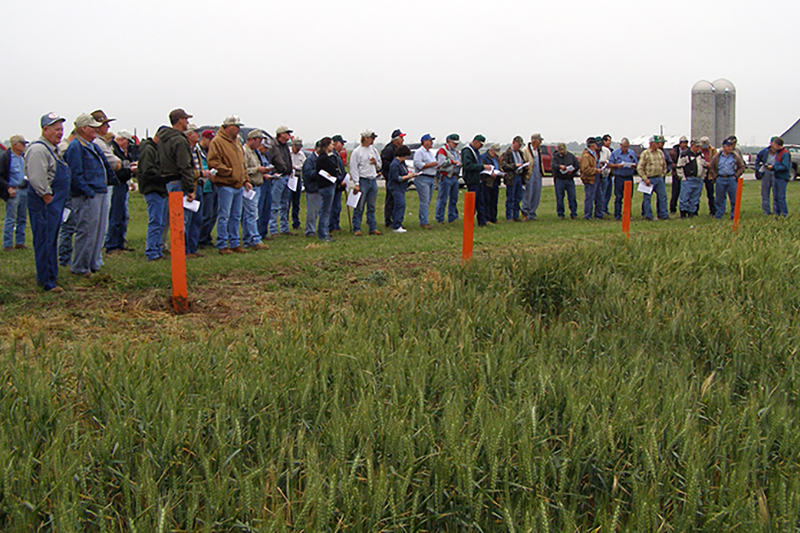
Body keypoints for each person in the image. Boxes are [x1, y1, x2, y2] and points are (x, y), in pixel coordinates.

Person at [64, 113, 115, 276]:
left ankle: (92, 263)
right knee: (86, 231)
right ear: (83, 128)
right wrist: (88, 192)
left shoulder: (91, 145)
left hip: (98, 191)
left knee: (98, 231)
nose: (96, 130)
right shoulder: (76, 147)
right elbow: (75, 174)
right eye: (92, 127)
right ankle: (80, 266)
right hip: (87, 196)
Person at [24, 113, 70, 292]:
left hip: (54, 202)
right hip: (44, 203)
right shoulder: (38, 150)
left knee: (51, 240)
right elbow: (37, 178)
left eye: (61, 129)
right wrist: (48, 198)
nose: (60, 133)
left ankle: (52, 275)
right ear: (45, 129)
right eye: (56, 129)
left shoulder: (53, 149)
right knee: (44, 240)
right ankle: (46, 281)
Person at [208, 115, 252, 254]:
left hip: (238, 185)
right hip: (225, 184)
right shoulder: (217, 142)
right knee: (224, 215)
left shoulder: (237, 142)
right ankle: (222, 244)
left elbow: (242, 163)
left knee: (236, 216)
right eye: (236, 126)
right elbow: (213, 162)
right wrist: (229, 172)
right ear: (229, 126)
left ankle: (234, 243)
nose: (239, 129)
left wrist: (245, 179)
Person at [158, 108, 197, 254]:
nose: (187, 122)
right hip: (178, 181)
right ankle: (179, 249)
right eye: (186, 119)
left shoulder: (163, 139)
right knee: (180, 219)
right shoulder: (180, 140)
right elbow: (184, 165)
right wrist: (190, 187)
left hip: (167, 181)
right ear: (180, 120)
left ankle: (161, 245)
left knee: (167, 218)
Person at [137, 127, 170, 261]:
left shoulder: (155, 149)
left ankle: (157, 248)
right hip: (153, 188)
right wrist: (165, 176)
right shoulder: (148, 150)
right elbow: (147, 170)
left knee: (161, 222)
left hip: (160, 189)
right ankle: (151, 251)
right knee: (155, 222)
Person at [105, 130, 136, 253]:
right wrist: (130, 170)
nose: (128, 145)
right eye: (128, 142)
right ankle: (112, 245)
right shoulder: (112, 150)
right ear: (123, 140)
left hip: (123, 184)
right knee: (115, 215)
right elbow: (116, 169)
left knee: (123, 215)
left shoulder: (123, 152)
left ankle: (120, 243)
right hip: (116, 185)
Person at [349, 130, 382, 236]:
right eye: (371, 138)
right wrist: (356, 183)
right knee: (359, 206)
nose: (373, 140)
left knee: (371, 206)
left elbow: (380, 164)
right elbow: (353, 168)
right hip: (363, 180)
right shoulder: (357, 152)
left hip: (372, 179)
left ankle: (372, 227)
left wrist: (375, 163)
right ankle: (356, 228)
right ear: (366, 138)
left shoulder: (374, 150)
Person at [186, 125, 212, 257]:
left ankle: (193, 247)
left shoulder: (196, 150)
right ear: (189, 135)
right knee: (187, 219)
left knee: (197, 219)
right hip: (191, 185)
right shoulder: (185, 150)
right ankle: (186, 249)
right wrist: (201, 173)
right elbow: (187, 171)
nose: (198, 135)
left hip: (199, 184)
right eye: (195, 132)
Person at [241, 129, 269, 250]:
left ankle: (248, 239)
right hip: (249, 186)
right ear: (251, 139)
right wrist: (257, 170)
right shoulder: (244, 151)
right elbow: (244, 169)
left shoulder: (254, 152)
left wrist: (263, 174)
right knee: (252, 213)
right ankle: (255, 239)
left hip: (257, 185)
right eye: (258, 141)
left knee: (251, 213)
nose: (260, 144)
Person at [1, 135, 29, 251]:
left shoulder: (23, 157)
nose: (24, 146)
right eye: (22, 143)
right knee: (11, 219)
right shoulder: (6, 158)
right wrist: (7, 188)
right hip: (13, 190)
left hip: (23, 190)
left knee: (22, 218)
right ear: (15, 145)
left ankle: (19, 242)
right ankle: (7, 244)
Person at [708, 138, 746, 220]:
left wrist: (736, 175)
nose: (730, 148)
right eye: (728, 146)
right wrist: (715, 176)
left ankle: (734, 215)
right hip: (720, 179)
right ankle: (719, 214)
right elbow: (711, 166)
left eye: (731, 146)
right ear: (724, 147)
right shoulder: (717, 157)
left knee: (734, 198)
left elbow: (742, 166)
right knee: (719, 198)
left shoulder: (735, 156)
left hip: (731, 179)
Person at [267, 125, 294, 236]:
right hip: (278, 177)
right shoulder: (273, 146)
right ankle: (273, 229)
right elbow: (270, 160)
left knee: (285, 204)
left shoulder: (285, 146)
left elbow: (288, 158)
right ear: (281, 134)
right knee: (274, 204)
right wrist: (273, 172)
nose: (289, 135)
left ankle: (284, 228)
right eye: (287, 133)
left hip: (287, 176)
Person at [462, 134, 492, 227]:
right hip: (472, 179)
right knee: (472, 202)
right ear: (475, 142)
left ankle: (482, 221)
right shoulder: (467, 151)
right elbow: (467, 165)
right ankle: (469, 220)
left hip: (479, 179)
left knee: (480, 201)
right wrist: (482, 167)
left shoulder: (476, 152)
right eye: (480, 144)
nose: (481, 146)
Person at [637, 136, 669, 221]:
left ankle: (663, 214)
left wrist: (662, 174)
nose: (659, 144)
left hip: (659, 178)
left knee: (662, 197)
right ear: (651, 143)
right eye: (657, 143)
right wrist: (645, 178)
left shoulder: (660, 153)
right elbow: (640, 168)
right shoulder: (645, 153)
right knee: (647, 198)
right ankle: (648, 215)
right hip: (649, 179)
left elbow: (664, 165)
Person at [387, 144, 417, 233]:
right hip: (396, 188)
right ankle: (397, 225)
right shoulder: (394, 164)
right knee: (400, 205)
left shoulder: (402, 163)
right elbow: (396, 178)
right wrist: (408, 177)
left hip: (401, 188)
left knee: (399, 205)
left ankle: (397, 223)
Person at [607, 137, 639, 220]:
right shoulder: (615, 153)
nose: (626, 148)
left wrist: (634, 165)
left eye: (627, 147)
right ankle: (617, 214)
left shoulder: (631, 153)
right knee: (618, 197)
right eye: (624, 146)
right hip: (619, 177)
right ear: (620, 145)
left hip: (629, 177)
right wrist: (617, 165)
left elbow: (636, 163)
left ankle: (627, 214)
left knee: (628, 197)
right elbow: (610, 164)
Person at [314, 137, 339, 241]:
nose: (333, 147)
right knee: (325, 211)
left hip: (327, 186)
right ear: (326, 146)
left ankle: (324, 233)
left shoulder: (324, 157)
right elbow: (332, 171)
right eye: (331, 144)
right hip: (326, 186)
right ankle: (323, 234)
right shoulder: (324, 158)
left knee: (325, 211)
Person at [197, 129, 218, 248]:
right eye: (209, 139)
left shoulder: (211, 151)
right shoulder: (198, 151)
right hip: (204, 185)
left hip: (213, 184)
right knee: (205, 214)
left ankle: (206, 236)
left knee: (213, 214)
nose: (211, 142)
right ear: (203, 138)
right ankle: (200, 238)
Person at [676, 139, 707, 217]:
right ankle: (683, 212)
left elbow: (704, 166)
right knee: (685, 196)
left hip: (698, 179)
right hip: (688, 179)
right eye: (697, 146)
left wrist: (703, 176)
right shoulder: (685, 154)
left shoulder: (700, 155)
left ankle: (692, 212)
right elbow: (679, 167)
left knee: (695, 197)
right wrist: (683, 177)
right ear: (692, 145)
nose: (698, 148)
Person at [435, 133, 461, 224]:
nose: (456, 145)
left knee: (454, 198)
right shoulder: (443, 150)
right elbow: (440, 163)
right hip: (446, 176)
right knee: (443, 198)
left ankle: (452, 217)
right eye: (454, 143)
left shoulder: (456, 151)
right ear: (449, 142)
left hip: (454, 176)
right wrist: (452, 162)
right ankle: (440, 218)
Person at [413, 133, 438, 229]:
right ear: (424, 142)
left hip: (431, 177)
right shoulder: (419, 152)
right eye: (430, 140)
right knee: (424, 200)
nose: (431, 142)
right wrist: (432, 164)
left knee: (428, 200)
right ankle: (424, 221)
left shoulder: (430, 153)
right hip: (422, 177)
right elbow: (419, 164)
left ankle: (424, 218)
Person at [382, 129, 405, 228]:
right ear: (396, 139)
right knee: (391, 200)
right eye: (401, 138)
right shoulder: (389, 149)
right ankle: (388, 220)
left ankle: (395, 218)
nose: (403, 140)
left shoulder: (398, 148)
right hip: (391, 179)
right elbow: (385, 164)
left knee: (396, 200)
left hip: (398, 179)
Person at [501, 136, 526, 221]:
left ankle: (516, 215)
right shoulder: (507, 153)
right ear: (514, 143)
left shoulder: (520, 153)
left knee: (518, 197)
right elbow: (503, 165)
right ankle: (509, 216)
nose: (519, 147)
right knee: (510, 197)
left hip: (519, 176)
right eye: (518, 145)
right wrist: (514, 166)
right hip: (512, 178)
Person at [551, 143, 579, 219]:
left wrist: (572, 171)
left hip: (569, 179)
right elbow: (553, 165)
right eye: (560, 151)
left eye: (563, 150)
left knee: (572, 197)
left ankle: (573, 213)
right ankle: (560, 214)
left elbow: (577, 165)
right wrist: (559, 166)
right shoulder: (555, 157)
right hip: (559, 179)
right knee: (559, 197)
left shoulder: (571, 156)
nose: (562, 152)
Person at [521, 133, 544, 220]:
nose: (540, 142)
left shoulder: (538, 150)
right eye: (539, 140)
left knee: (536, 194)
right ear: (534, 141)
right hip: (529, 174)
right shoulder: (525, 150)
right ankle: (525, 212)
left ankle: (532, 213)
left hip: (537, 174)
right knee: (528, 194)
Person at [767, 136, 792, 217]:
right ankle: (777, 213)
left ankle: (784, 214)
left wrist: (774, 167)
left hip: (782, 178)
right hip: (776, 176)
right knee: (776, 197)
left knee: (781, 197)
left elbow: (785, 167)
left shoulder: (785, 154)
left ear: (777, 144)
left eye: (773, 144)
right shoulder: (778, 153)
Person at [328, 134, 347, 232]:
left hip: (339, 183)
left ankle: (336, 224)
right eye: (341, 143)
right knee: (334, 206)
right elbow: (335, 170)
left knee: (338, 206)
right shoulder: (333, 155)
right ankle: (332, 225)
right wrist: (340, 179)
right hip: (335, 183)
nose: (342, 145)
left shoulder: (338, 155)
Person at [480, 144, 504, 224]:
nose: (495, 155)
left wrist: (500, 173)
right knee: (487, 201)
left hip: (495, 181)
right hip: (487, 182)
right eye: (494, 153)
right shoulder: (483, 157)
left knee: (494, 201)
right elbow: (481, 169)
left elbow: (498, 167)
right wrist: (490, 173)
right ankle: (487, 218)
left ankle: (494, 217)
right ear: (490, 151)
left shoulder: (496, 158)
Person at [579, 137, 602, 220]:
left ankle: (598, 214)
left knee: (599, 197)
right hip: (590, 179)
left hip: (596, 178)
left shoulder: (593, 154)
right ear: (593, 145)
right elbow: (585, 169)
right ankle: (588, 215)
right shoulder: (586, 156)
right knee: (590, 197)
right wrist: (595, 170)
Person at [302, 141, 320, 237]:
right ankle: (310, 230)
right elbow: (307, 174)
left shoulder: (322, 159)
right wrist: (319, 172)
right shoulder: (310, 160)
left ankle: (321, 229)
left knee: (320, 211)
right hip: (313, 188)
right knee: (312, 211)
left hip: (321, 187)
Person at [669, 136, 689, 214]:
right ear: (680, 143)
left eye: (686, 142)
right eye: (683, 143)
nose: (685, 144)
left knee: (686, 192)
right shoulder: (673, 152)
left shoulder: (688, 152)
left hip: (686, 174)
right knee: (675, 192)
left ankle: (686, 208)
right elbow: (670, 162)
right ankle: (673, 208)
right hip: (676, 175)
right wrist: (677, 166)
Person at [699, 136, 718, 216]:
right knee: (697, 193)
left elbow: (715, 161)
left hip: (709, 173)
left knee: (710, 194)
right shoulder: (698, 150)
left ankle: (713, 210)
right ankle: (694, 211)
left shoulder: (713, 150)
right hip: (700, 172)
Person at [289, 137, 305, 230]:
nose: (298, 149)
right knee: (287, 202)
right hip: (290, 179)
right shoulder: (288, 154)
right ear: (292, 146)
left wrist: (295, 167)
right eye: (296, 147)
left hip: (297, 178)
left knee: (296, 202)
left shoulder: (301, 155)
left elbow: (303, 165)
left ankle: (296, 222)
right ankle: (285, 223)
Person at [598, 134, 613, 216]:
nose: (610, 142)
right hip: (600, 174)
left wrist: (606, 162)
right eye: (608, 140)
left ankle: (605, 208)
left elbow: (611, 161)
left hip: (608, 174)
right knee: (601, 193)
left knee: (608, 193)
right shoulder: (598, 151)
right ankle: (601, 209)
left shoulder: (609, 150)